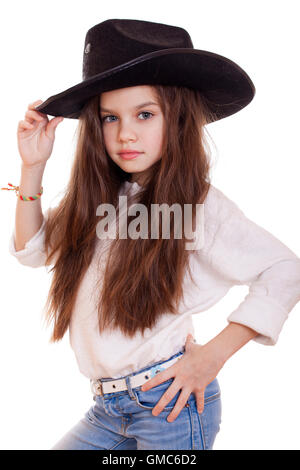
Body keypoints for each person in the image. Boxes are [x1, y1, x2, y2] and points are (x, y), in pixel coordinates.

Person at [6, 19, 300, 451]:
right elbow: (33, 250)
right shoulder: (102, 199)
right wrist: (32, 168)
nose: (125, 133)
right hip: (108, 410)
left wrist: (213, 356)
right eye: (111, 117)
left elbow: (284, 269)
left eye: (145, 114)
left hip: (169, 407)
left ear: (178, 118)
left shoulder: (198, 206)